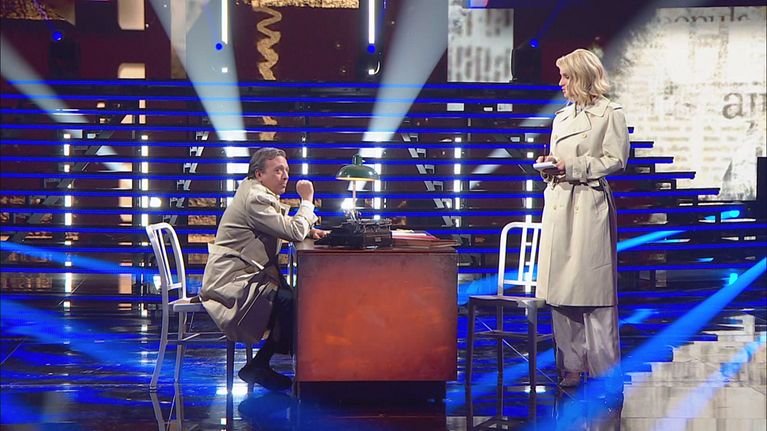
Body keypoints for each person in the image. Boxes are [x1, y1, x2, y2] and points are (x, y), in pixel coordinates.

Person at [535, 49, 630, 392]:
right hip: (560, 202)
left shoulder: (610, 113)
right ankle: (571, 367)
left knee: (594, 292)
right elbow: (559, 158)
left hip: (589, 204)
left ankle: (605, 372)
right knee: (561, 292)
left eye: (566, 76)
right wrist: (549, 166)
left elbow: (616, 158)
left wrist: (573, 166)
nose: (560, 83)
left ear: (582, 77)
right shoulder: (561, 117)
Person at [200, 147, 327, 391]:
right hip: (233, 281)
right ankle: (281, 368)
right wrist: (307, 201)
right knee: (293, 303)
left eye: (286, 170)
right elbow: (292, 231)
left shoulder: (257, 192)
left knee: (294, 300)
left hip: (249, 274)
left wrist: (308, 230)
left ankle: (269, 365)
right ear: (259, 174)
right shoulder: (255, 198)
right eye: (278, 170)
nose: (285, 176)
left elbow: (281, 226)